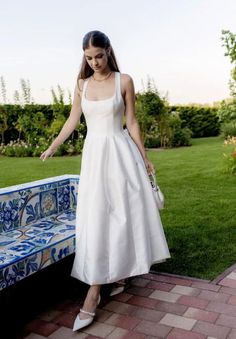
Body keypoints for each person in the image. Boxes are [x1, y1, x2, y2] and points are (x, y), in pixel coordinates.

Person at [40, 30, 170, 331]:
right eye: (89, 57)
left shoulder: (124, 81)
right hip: (94, 157)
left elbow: (132, 122)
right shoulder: (81, 84)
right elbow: (73, 119)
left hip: (120, 154)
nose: (95, 62)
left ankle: (95, 291)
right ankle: (101, 285)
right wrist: (54, 144)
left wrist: (146, 158)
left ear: (108, 51)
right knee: (97, 216)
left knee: (121, 215)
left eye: (99, 55)